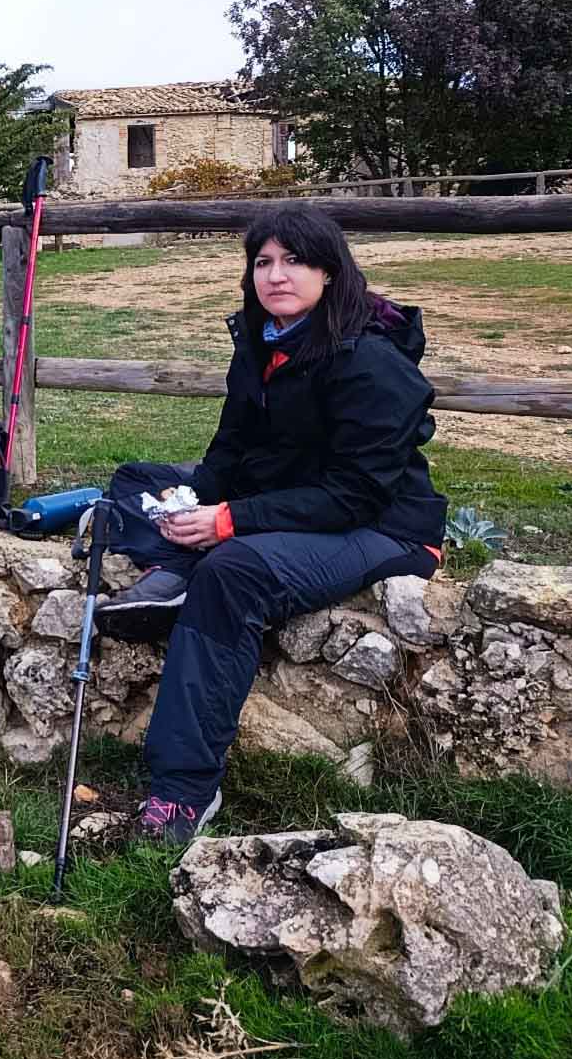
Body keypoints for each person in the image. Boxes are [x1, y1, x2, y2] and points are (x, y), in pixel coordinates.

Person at [93, 205, 447, 843]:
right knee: (136, 487)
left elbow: (356, 493)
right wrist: (191, 499)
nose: (276, 275)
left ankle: (182, 792)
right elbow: (230, 450)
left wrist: (230, 520)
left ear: (332, 273)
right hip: (290, 506)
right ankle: (174, 567)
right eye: (263, 262)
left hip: (383, 526)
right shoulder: (262, 342)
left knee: (233, 572)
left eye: (295, 261)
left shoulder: (370, 361)